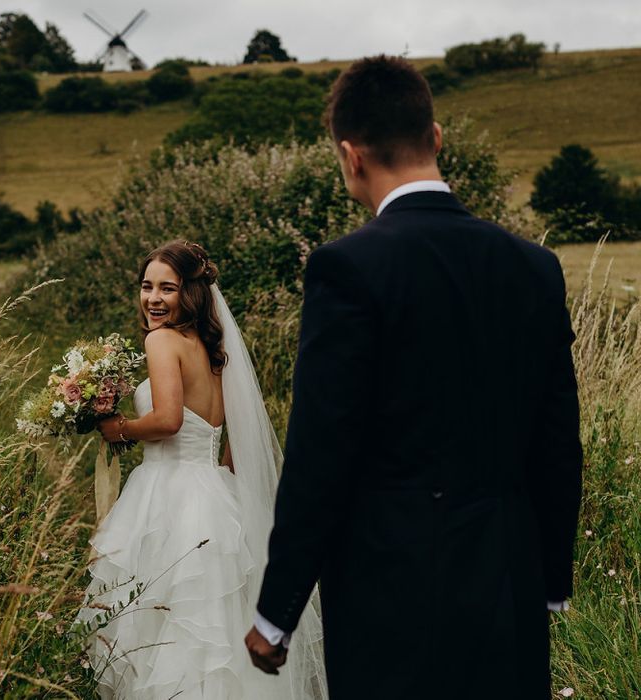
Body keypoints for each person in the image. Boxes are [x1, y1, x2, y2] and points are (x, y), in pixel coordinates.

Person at [246, 56, 583, 699]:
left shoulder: (345, 268)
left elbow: (323, 452)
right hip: (507, 581)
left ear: (351, 156)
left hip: (390, 590)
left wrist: (276, 613)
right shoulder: (534, 267)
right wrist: (551, 582)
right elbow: (557, 440)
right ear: (435, 138)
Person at [74, 241, 326, 699]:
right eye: (146, 286)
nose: (153, 298)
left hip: (167, 493)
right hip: (214, 491)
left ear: (190, 293)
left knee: (166, 626)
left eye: (166, 289)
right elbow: (235, 441)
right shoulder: (214, 349)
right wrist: (220, 480)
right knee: (217, 624)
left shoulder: (161, 340)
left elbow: (168, 420)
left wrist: (120, 428)